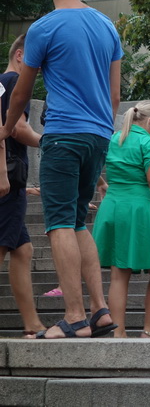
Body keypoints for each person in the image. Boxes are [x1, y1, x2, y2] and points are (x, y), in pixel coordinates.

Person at [0, 0, 121, 339]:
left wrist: (6, 127)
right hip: (99, 134)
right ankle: (100, 310)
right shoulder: (107, 26)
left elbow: (22, 90)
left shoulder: (43, 28)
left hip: (64, 134)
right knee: (77, 220)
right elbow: (115, 95)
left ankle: (73, 316)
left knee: (58, 224)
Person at [92, 102, 150, 338]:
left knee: (119, 273)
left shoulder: (113, 139)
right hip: (139, 208)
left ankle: (118, 332)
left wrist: (102, 185)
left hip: (113, 206)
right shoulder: (148, 143)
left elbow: (91, 164)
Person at [0, 34, 46, 338]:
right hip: (8, 180)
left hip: (13, 180)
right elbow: (16, 129)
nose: (38, 70)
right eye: (35, 62)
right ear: (20, 55)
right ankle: (32, 324)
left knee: (23, 249)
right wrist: (51, 143)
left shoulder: (1, 81)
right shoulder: (16, 81)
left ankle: (32, 324)